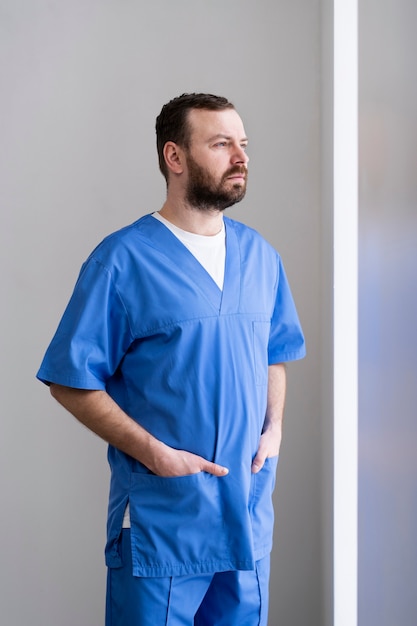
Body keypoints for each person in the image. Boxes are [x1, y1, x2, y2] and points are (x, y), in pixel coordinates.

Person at [37, 93, 305, 626]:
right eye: (221, 143)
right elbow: (71, 380)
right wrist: (155, 454)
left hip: (246, 515)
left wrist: (273, 430)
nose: (240, 157)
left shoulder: (261, 257)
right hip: (167, 518)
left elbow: (277, 351)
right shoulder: (123, 260)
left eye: (243, 144)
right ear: (175, 157)